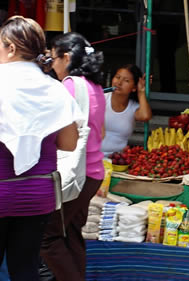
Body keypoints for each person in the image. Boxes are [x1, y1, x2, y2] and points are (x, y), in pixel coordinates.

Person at [0, 16, 81, 281]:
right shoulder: (54, 89)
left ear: (11, 48)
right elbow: (69, 143)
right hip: (38, 194)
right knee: (25, 269)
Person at [40, 32, 106, 281]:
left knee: (47, 238)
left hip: (75, 174)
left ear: (65, 57)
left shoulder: (70, 85)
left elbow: (57, 129)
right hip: (92, 172)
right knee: (71, 233)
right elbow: (100, 130)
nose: (51, 64)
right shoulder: (96, 86)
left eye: (52, 58)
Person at [101, 64, 152, 156]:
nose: (119, 83)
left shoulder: (133, 107)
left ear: (134, 88)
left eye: (126, 81)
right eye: (117, 77)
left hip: (118, 160)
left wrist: (141, 92)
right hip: (92, 157)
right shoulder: (100, 99)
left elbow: (145, 116)